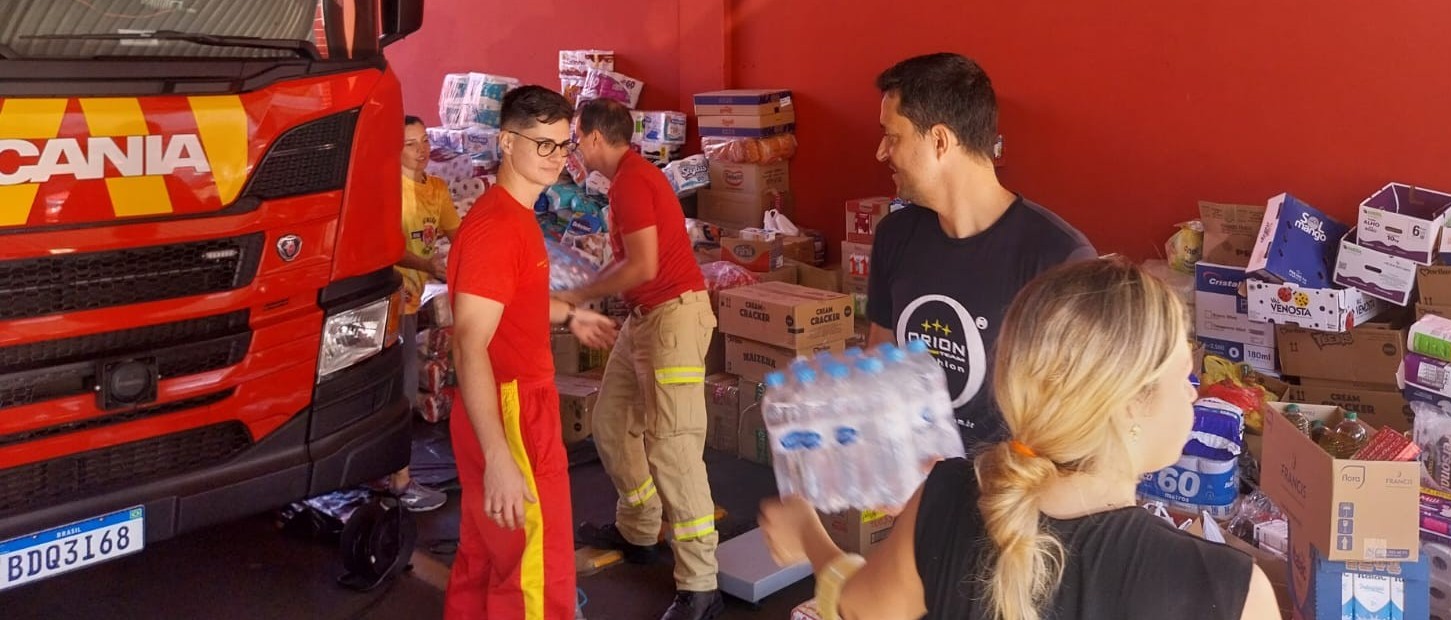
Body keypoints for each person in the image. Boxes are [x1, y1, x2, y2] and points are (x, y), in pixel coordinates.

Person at [759, 258, 1279, 620]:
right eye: (1183, 377)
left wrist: (808, 535)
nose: (1193, 396)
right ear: (1126, 405)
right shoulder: (1226, 589)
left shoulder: (945, 497)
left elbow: (859, 606)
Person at [445, 85, 619, 620]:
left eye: (562, 145)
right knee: (534, 572)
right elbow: (468, 342)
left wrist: (569, 314)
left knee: (488, 553)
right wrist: (500, 454)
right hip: (511, 411)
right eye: (541, 143)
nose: (555, 158)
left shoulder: (516, 218)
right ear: (505, 142)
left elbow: (511, 303)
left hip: (507, 407)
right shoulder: (497, 229)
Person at [866, 52, 1097, 454]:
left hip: (1013, 502)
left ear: (939, 141)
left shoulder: (1059, 257)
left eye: (893, 136)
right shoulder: (895, 236)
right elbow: (881, 357)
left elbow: (1080, 419)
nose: (882, 153)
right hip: (921, 494)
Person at [557, 98, 723, 620]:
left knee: (672, 449)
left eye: (572, 139)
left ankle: (701, 586)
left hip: (671, 318)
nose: (571, 150)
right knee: (610, 423)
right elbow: (634, 261)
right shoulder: (628, 181)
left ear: (592, 137)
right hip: (645, 318)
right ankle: (640, 527)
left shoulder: (631, 181)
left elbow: (644, 264)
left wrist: (579, 294)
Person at [388, 114, 456, 513]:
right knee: (401, 389)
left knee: (404, 387)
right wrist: (429, 267)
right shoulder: (387, 189)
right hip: (388, 299)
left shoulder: (438, 189)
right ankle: (399, 480)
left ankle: (392, 472)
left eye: (425, 140)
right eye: (411, 143)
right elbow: (387, 246)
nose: (421, 150)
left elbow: (456, 235)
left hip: (412, 300)